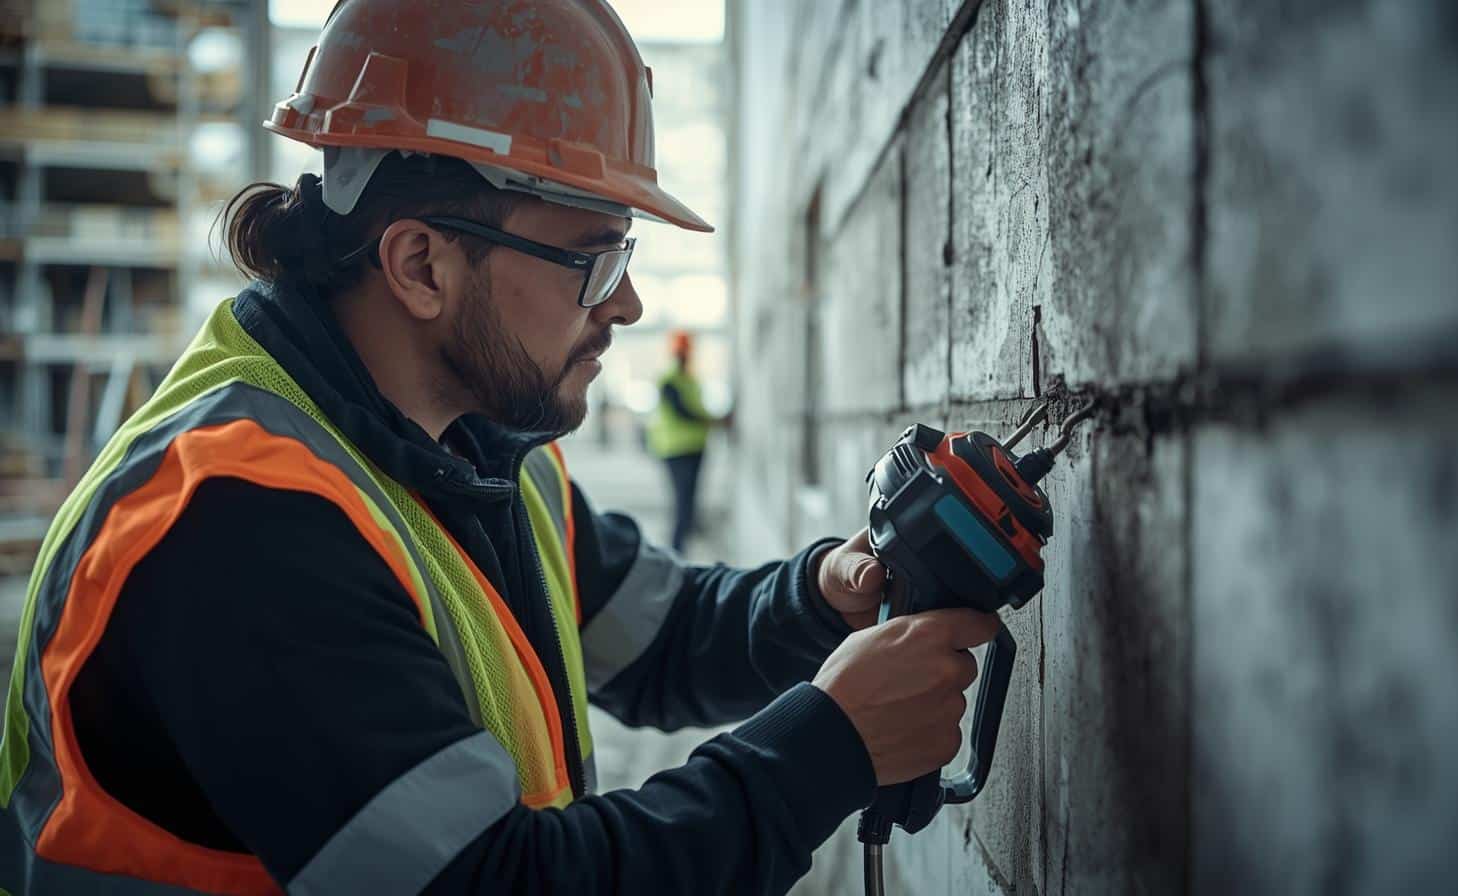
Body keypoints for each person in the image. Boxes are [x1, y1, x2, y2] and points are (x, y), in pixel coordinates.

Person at [0, 2, 997, 894]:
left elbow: (660, 641)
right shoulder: (234, 522)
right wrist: (826, 748)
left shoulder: (473, 446)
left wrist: (827, 592)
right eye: (591, 258)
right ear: (421, 263)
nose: (627, 302)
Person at [647, 329, 723, 552]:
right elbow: (683, 411)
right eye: (682, 352)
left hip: (695, 447)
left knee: (690, 502)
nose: (685, 356)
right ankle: (676, 550)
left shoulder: (690, 379)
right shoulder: (669, 380)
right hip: (675, 450)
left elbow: (695, 409)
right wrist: (714, 421)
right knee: (681, 502)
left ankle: (684, 544)